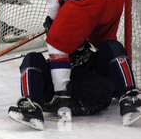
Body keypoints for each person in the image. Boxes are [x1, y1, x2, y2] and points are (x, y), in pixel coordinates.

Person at [8, 40, 141, 130]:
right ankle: (32, 107)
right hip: (56, 98)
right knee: (32, 57)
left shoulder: (78, 19)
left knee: (112, 46)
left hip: (90, 91)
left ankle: (129, 96)